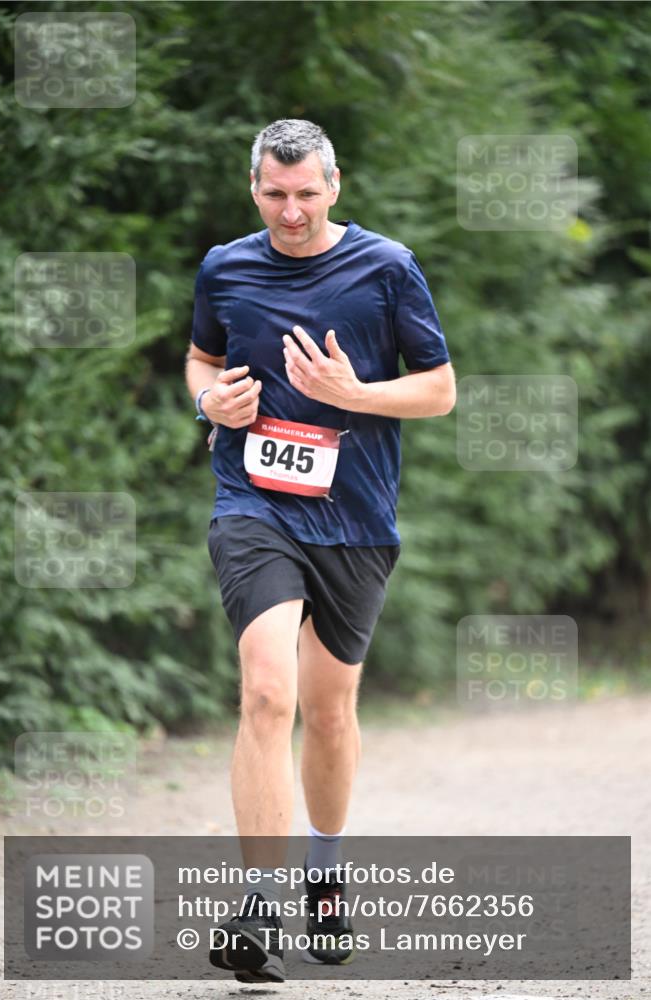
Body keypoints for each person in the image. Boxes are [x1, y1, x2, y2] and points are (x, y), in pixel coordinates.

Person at [185, 118, 455, 982]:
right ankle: (258, 906)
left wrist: (356, 392)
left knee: (329, 711)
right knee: (268, 690)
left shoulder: (385, 267)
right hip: (252, 501)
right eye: (274, 193)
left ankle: (325, 874)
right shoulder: (226, 266)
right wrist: (210, 405)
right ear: (254, 187)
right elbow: (200, 360)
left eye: (306, 193)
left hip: (357, 518)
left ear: (334, 185)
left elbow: (440, 390)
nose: (291, 211)